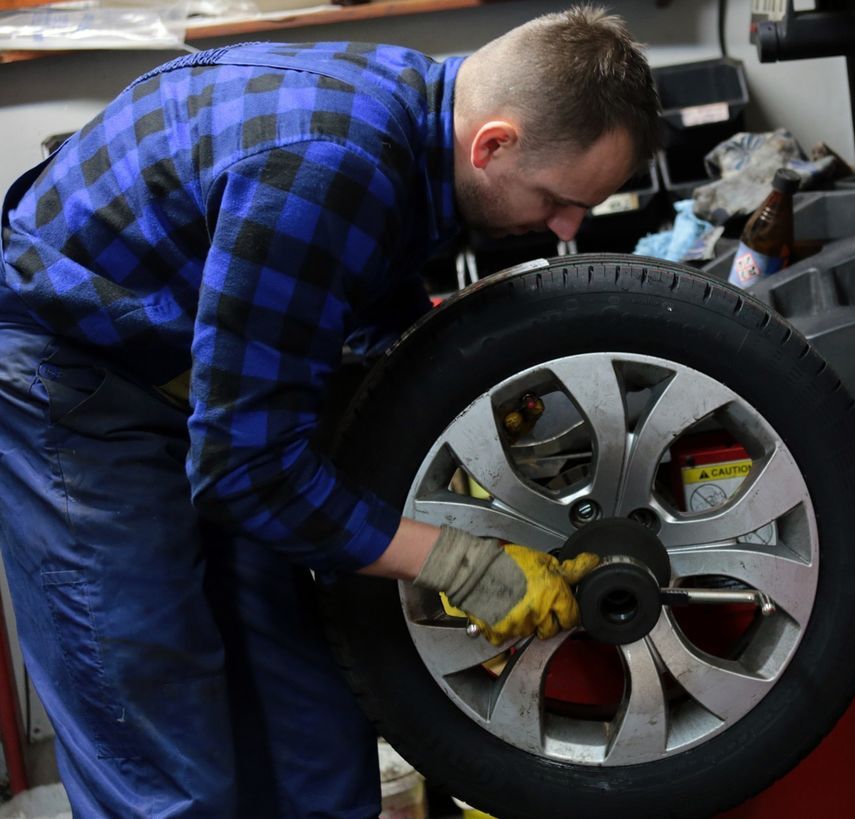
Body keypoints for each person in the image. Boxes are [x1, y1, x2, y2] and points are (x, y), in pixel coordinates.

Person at [0, 5, 660, 815]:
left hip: (200, 377)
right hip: (65, 373)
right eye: (560, 201)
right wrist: (460, 563)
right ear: (494, 144)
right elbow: (245, 472)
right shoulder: (333, 164)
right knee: (158, 720)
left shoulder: (417, 126)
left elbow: (360, 310)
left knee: (309, 725)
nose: (567, 228)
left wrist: (464, 420)